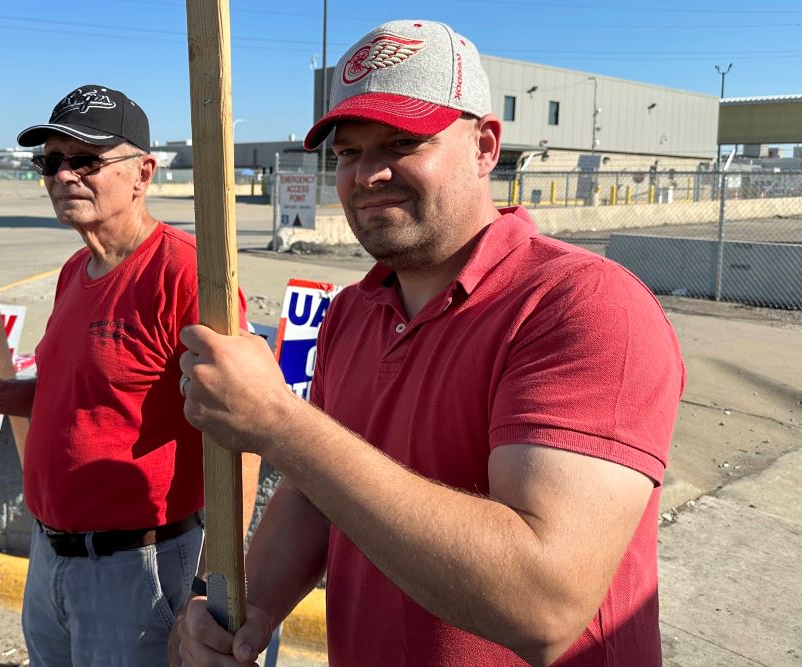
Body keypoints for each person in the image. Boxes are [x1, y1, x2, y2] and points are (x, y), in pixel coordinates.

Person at [173, 20, 684, 667]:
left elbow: (544, 603)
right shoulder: (351, 314)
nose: (368, 173)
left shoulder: (582, 305)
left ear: (485, 145)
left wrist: (279, 422)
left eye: (402, 141)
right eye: (349, 152)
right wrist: (243, 619)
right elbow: (312, 494)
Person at [0, 84, 258, 666]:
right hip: (50, 558)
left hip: (140, 571)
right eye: (51, 162)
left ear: (143, 173)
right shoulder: (73, 271)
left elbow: (246, 432)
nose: (63, 176)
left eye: (85, 160)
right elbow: (78, 397)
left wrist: (218, 582)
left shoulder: (187, 274)